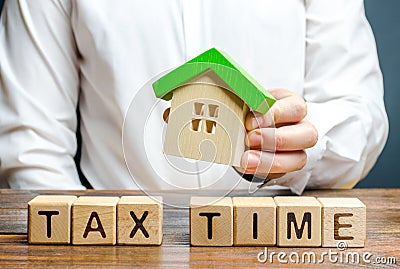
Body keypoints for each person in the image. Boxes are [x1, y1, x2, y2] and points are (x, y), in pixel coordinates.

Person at [0, 0, 388, 194]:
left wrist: (303, 141)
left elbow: (360, 117)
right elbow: (32, 150)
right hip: (119, 246)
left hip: (276, 244)